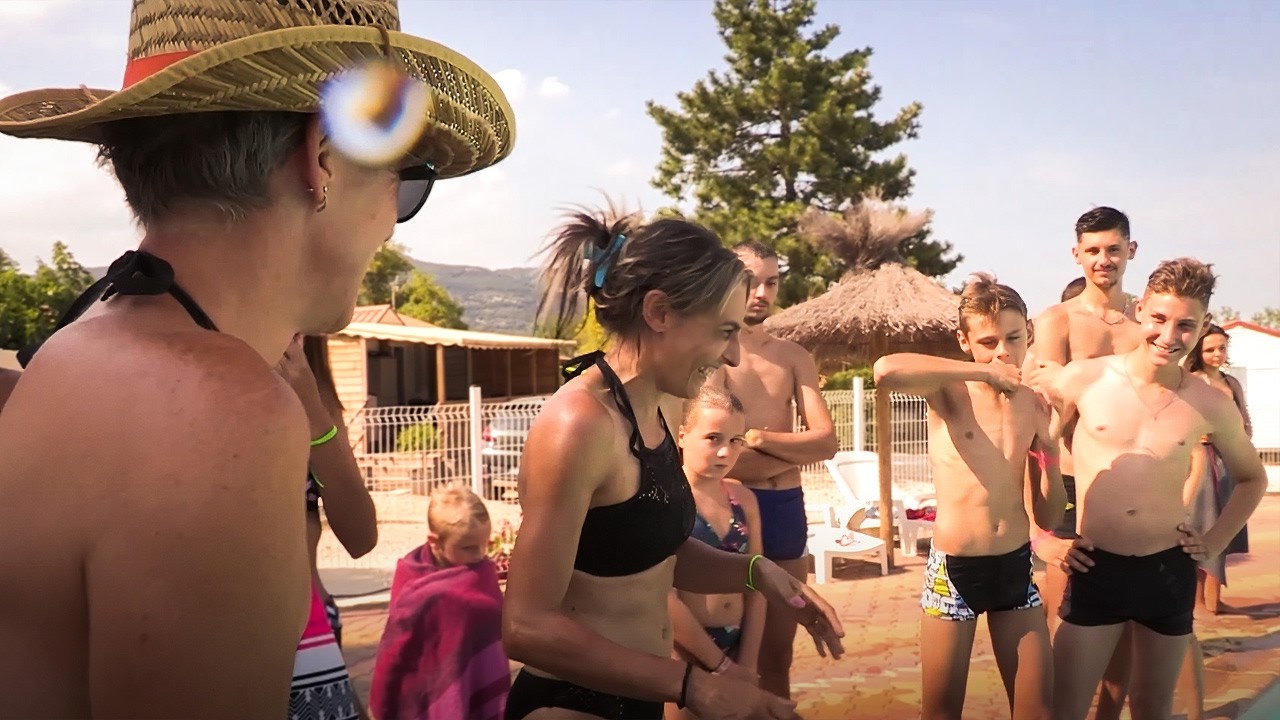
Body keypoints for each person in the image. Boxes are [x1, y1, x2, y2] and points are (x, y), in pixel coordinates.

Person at [0, 1, 513, 715]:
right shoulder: (219, 409)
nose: (395, 218)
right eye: (409, 176)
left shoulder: (73, 350)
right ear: (325, 156)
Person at [502, 205, 843, 720]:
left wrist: (757, 571)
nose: (732, 356)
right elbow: (526, 626)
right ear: (660, 313)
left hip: (642, 699)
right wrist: (697, 686)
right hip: (571, 704)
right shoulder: (579, 424)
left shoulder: (657, 407)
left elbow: (648, 546)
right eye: (723, 331)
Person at [1037, 258, 1267, 720]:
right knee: (1064, 706)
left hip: (1167, 572)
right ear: (1140, 310)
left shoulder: (1208, 403)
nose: (1169, 335)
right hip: (1095, 567)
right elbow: (1033, 451)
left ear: (1202, 328)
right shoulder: (1086, 378)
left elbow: (1252, 477)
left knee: (1151, 707)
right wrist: (1041, 538)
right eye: (1159, 319)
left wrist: (1213, 543)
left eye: (1186, 325)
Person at [874, 273, 1065, 720]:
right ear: (964, 341)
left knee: (1038, 711)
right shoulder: (949, 392)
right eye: (988, 342)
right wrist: (984, 371)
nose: (1003, 351)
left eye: (1014, 339)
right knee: (940, 713)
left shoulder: (1033, 404)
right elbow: (885, 371)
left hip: (1015, 566)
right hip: (954, 571)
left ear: (1029, 333)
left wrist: (1051, 451)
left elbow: (1050, 516)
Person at [704, 240, 838, 700]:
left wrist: (759, 439)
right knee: (724, 652)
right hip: (735, 508)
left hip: (785, 508)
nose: (762, 292)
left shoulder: (794, 356)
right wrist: (789, 450)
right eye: (751, 281)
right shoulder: (715, 354)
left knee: (777, 656)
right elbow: (719, 455)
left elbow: (827, 442)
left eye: (772, 282)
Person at [1025, 208, 1143, 720]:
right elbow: (1042, 400)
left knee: (1130, 624)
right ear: (1076, 254)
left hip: (1135, 486)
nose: (1103, 260)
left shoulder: (1148, 322)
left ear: (1130, 252)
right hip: (1073, 482)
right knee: (1065, 618)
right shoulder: (1057, 320)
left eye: (1113, 249)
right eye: (1092, 250)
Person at [275, 335, 378, 718]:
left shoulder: (309, 386)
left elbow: (361, 537)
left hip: (311, 634)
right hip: (228, 633)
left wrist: (314, 412)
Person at [667, 386, 767, 719]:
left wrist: (746, 665)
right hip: (682, 655)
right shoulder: (666, 502)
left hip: (737, 649)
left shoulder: (744, 499)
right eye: (713, 438)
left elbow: (757, 587)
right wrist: (718, 665)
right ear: (682, 436)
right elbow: (662, 598)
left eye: (736, 440)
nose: (726, 452)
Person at [370, 485, 509, 720]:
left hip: (474, 687)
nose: (479, 555)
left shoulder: (481, 574)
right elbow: (397, 654)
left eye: (484, 545)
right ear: (435, 542)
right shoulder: (412, 582)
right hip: (425, 694)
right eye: (468, 547)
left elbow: (492, 638)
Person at [1185, 323, 1253, 612]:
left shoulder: (1231, 383)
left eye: (1221, 348)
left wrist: (1243, 442)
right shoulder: (1191, 381)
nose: (1216, 354)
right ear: (1199, 351)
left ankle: (1215, 599)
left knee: (1226, 526)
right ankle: (1199, 601)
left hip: (1230, 463)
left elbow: (1243, 418)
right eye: (1209, 348)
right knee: (1202, 526)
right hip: (1201, 462)